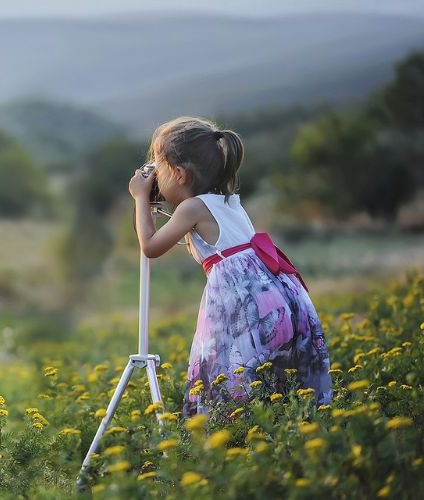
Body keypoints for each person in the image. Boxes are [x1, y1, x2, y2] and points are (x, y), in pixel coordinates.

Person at [128, 116, 331, 417]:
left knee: (229, 373)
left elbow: (150, 246)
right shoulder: (228, 200)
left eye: (158, 165)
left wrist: (139, 198)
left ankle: (233, 436)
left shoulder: (192, 208)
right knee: (273, 379)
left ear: (180, 174)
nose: (153, 173)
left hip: (243, 306)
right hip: (279, 298)